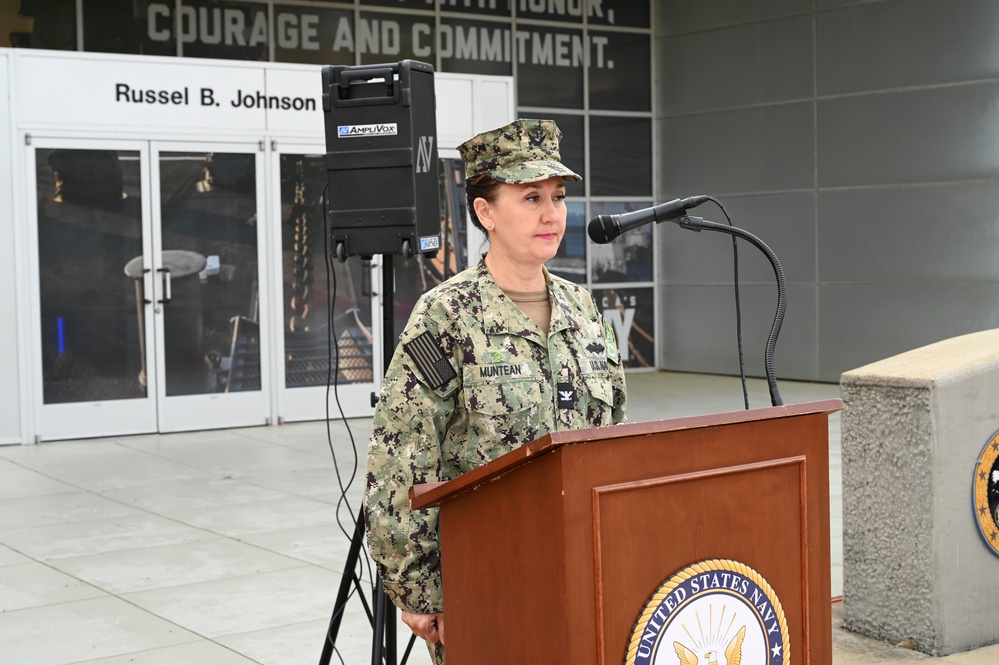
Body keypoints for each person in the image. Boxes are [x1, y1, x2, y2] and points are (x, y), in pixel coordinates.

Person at [363, 118, 627, 664]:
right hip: (487, 573)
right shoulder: (446, 316)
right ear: (485, 212)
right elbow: (402, 459)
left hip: (585, 565)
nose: (552, 213)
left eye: (557, 196)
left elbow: (616, 436)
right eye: (531, 197)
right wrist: (419, 592)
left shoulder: (583, 309)